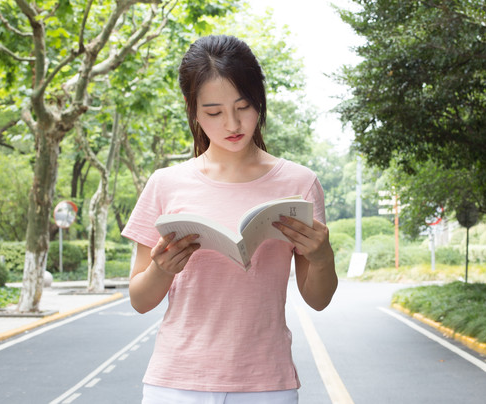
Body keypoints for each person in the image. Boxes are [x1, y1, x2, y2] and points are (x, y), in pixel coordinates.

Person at [122, 35, 338, 404]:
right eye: (214, 112)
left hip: (267, 382)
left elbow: (317, 299)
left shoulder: (299, 183)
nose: (233, 123)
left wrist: (322, 256)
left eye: (243, 106)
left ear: (260, 100)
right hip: (176, 382)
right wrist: (162, 269)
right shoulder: (165, 184)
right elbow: (140, 301)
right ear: (193, 110)